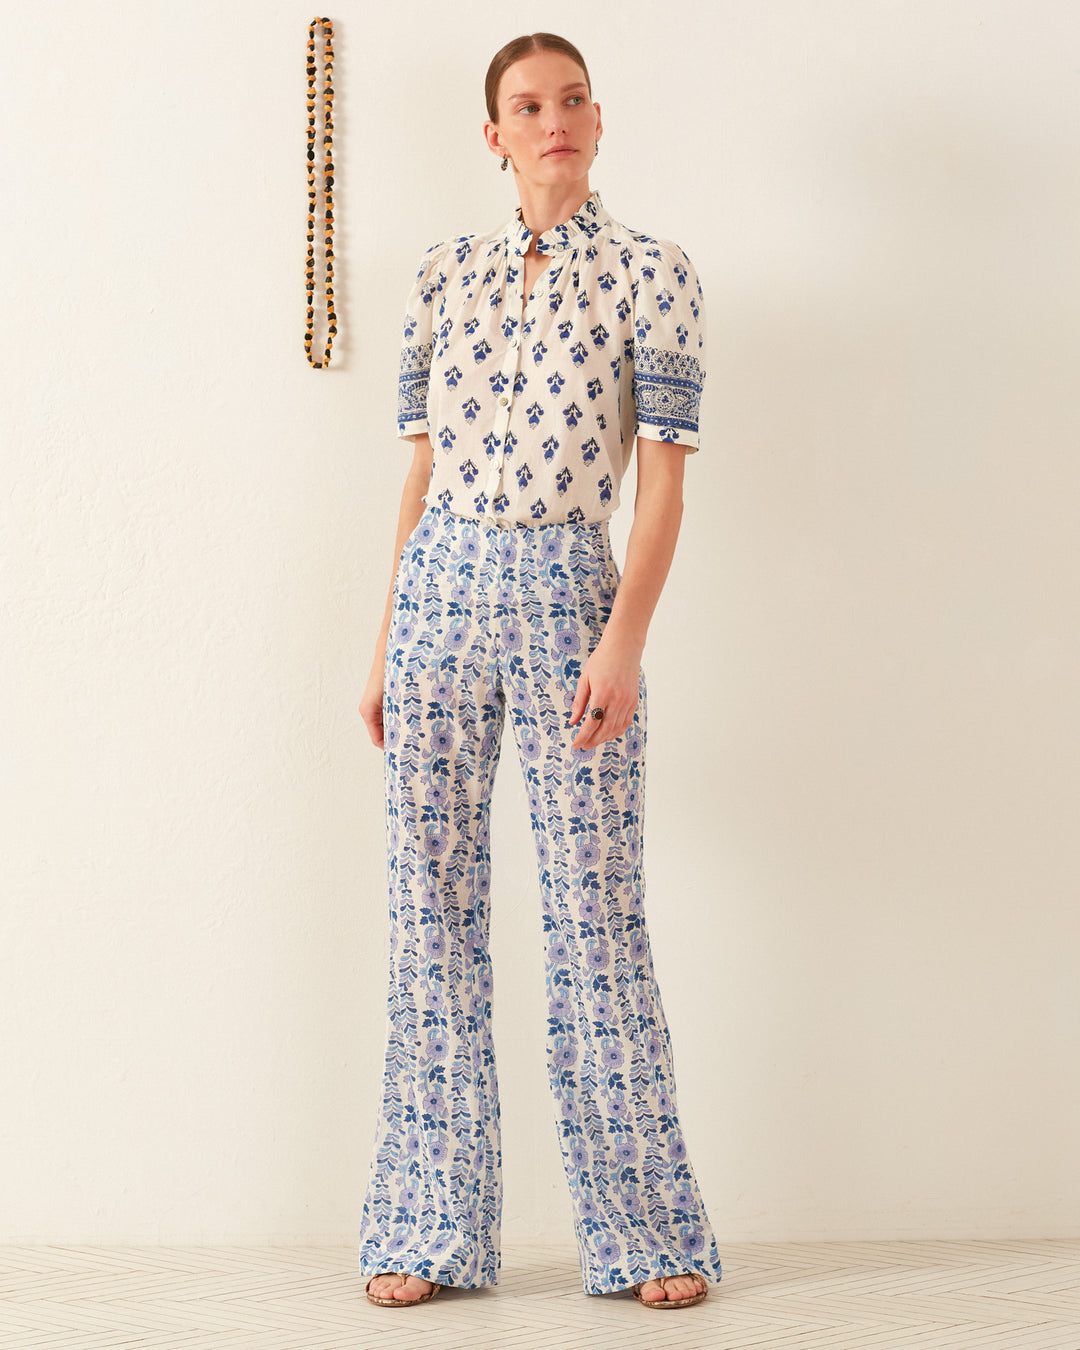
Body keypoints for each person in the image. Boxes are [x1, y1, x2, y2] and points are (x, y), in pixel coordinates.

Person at [357, 32, 723, 1311]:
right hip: (441, 590)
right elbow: (416, 475)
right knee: (430, 916)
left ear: (599, 119)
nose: (552, 118)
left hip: (572, 583)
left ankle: (645, 1234)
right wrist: (384, 643)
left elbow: (664, 483)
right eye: (528, 104)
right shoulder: (444, 273)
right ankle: (426, 1230)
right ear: (493, 133)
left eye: (571, 99)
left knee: (594, 917)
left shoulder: (653, 273)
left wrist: (624, 636)